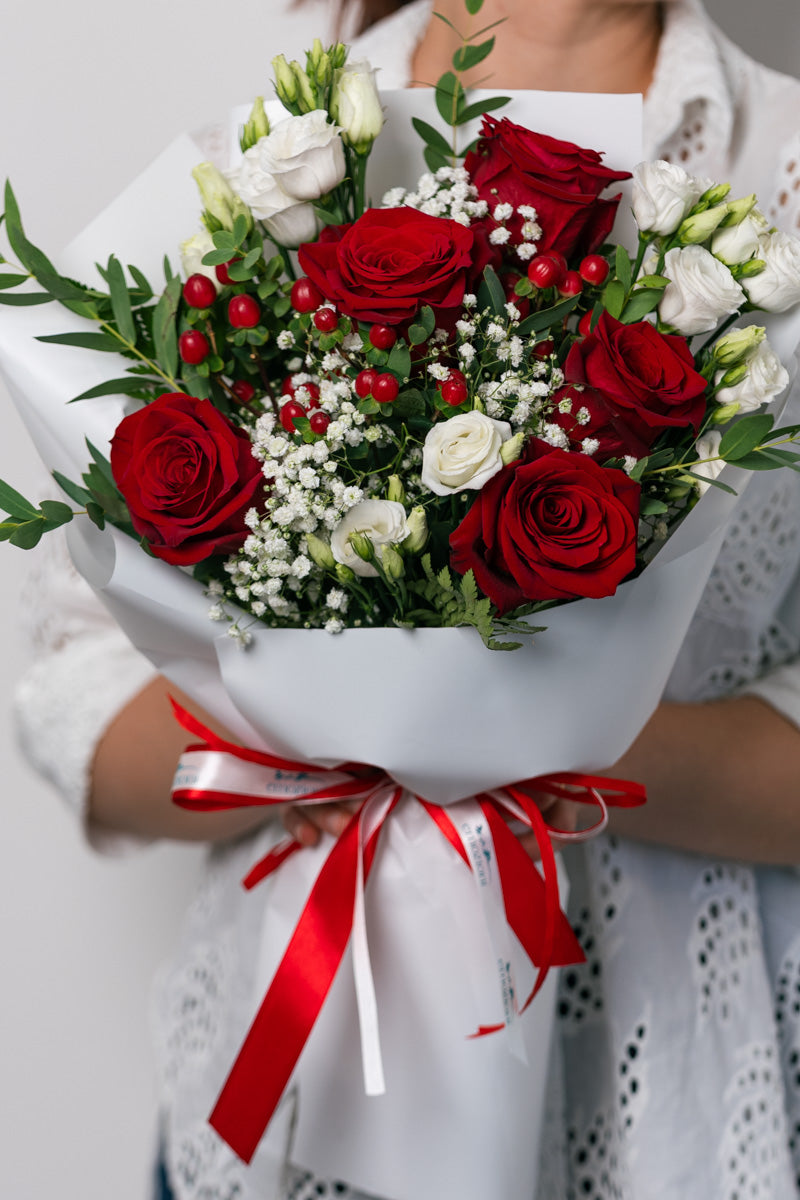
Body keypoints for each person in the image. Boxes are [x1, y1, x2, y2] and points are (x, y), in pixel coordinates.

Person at [13, 0, 800, 1196]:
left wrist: (531, 743)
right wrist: (308, 734)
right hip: (281, 1094)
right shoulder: (253, 174)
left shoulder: (779, 185)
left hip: (676, 1111)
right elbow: (70, 695)